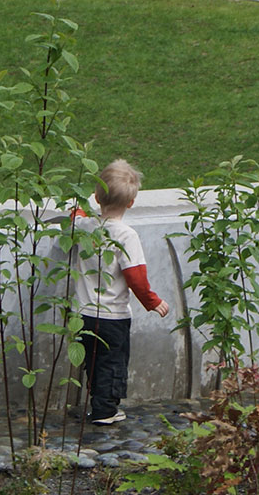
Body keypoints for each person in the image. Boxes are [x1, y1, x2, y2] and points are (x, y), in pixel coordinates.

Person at [70, 159, 170, 426]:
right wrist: (153, 301)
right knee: (112, 363)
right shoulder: (126, 235)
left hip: (82, 313)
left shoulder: (86, 227)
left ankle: (97, 402)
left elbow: (75, 215)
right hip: (113, 316)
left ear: (98, 195)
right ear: (131, 203)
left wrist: (83, 205)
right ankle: (105, 410)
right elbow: (135, 276)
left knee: (92, 360)